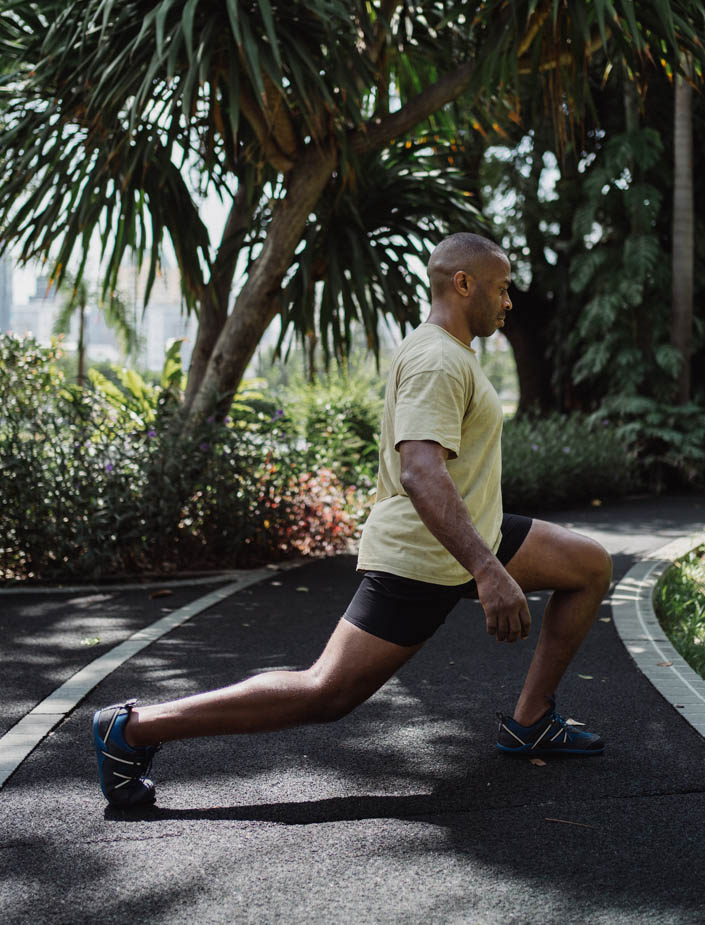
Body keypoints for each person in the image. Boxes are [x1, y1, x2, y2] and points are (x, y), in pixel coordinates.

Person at [93, 232, 612, 808]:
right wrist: (488, 571)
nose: (509, 301)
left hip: (470, 534)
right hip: (426, 553)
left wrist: (486, 558)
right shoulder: (437, 359)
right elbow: (420, 471)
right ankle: (133, 728)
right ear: (463, 284)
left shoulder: (451, 351)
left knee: (587, 563)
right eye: (502, 287)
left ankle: (531, 721)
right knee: (326, 693)